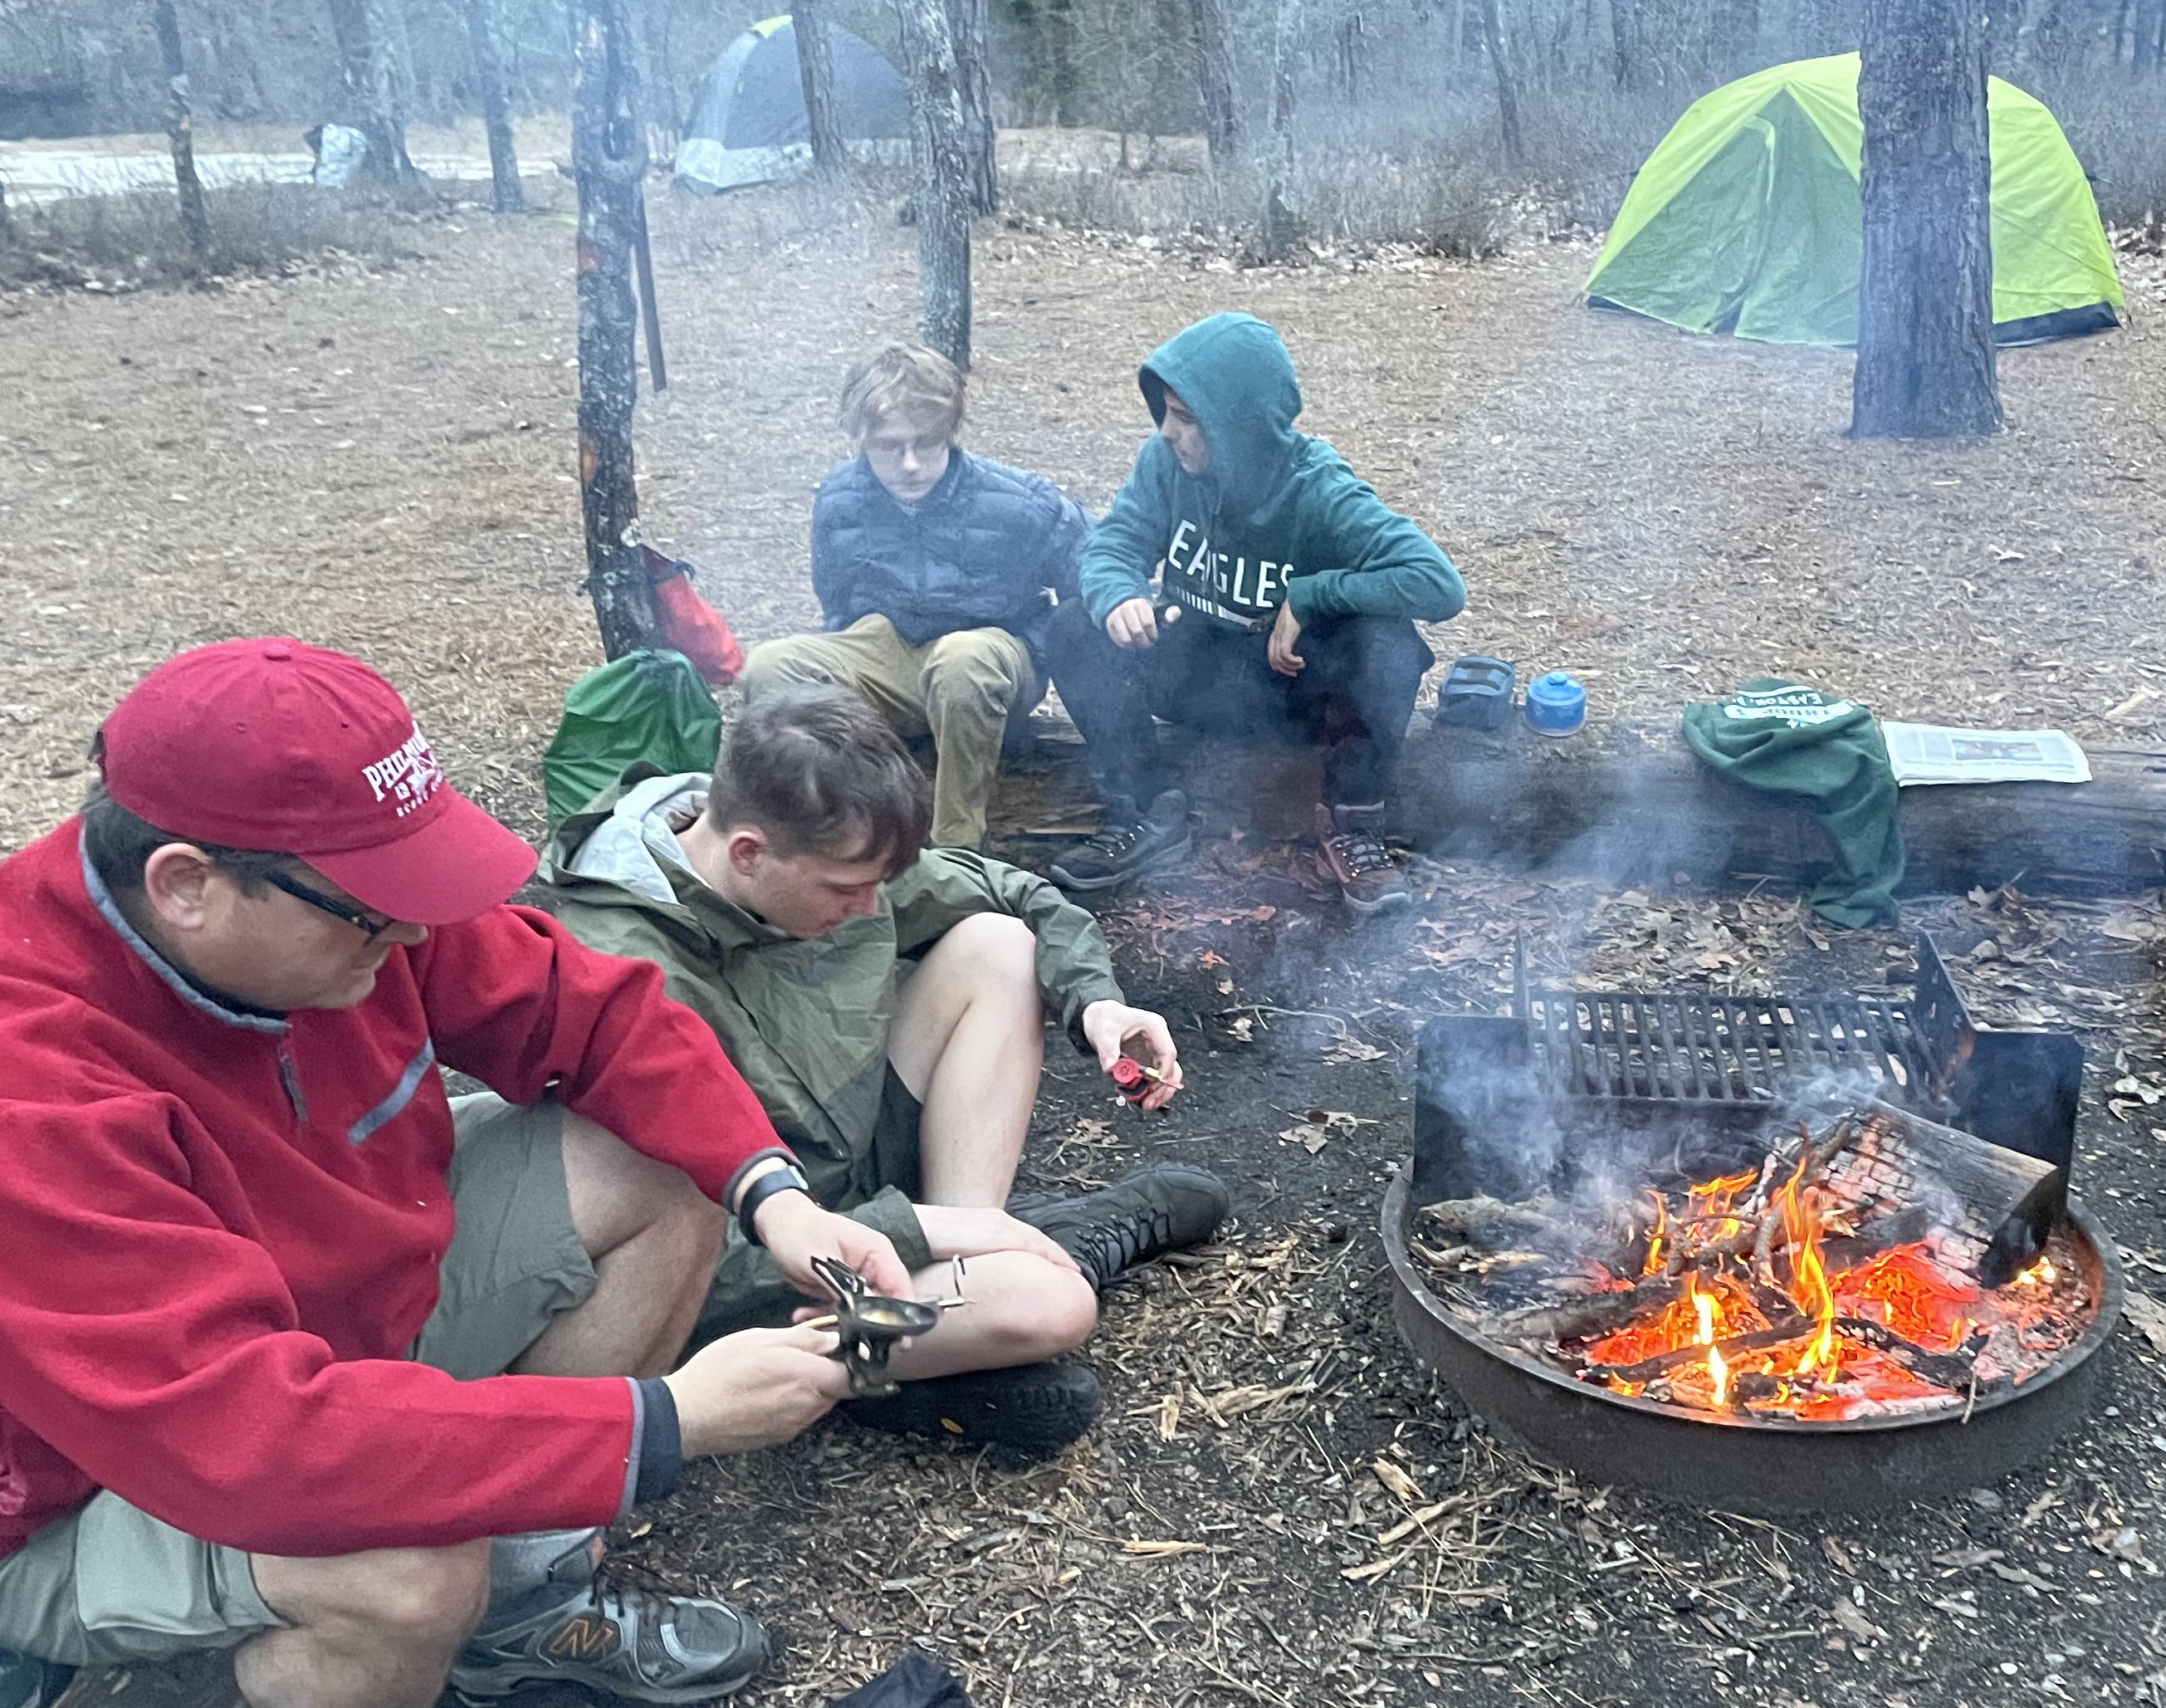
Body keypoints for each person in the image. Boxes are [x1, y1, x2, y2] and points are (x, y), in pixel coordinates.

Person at [0, 640, 899, 1708]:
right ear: (186, 887)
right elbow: (258, 1445)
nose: (406, 943)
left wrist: (773, 1195)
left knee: (661, 1172)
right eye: (371, 918)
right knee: (406, 1557)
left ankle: (524, 1606)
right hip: (58, 1495)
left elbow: (592, 1011)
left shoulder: (317, 897)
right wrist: (660, 1422)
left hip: (306, 1334)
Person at [534, 682, 1229, 1458]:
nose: (870, 909)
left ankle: (973, 1266)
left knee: (998, 948)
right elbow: (674, 1240)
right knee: (1053, 1305)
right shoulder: (620, 964)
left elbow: (1016, 894)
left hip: (851, 1168)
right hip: (744, 1266)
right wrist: (913, 1226)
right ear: (748, 854)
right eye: (845, 889)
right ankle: (867, 1364)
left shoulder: (810, 837)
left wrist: (1095, 1002)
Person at [1046, 312, 1466, 917]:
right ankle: (1148, 814)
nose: (1167, 432)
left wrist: (1311, 595)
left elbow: (1437, 583)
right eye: (1166, 413)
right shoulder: (1166, 465)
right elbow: (1112, 544)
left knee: (1387, 641)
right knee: (1074, 625)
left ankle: (1353, 825)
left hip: (1291, 685)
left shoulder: (1319, 490)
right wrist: (1120, 593)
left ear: (1239, 429)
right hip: (1198, 671)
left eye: (1187, 419)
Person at [740, 343, 1108, 854]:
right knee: (769, 666)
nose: (911, 464)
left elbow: (1096, 569)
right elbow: (837, 605)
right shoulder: (840, 500)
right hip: (886, 652)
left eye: (927, 443)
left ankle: (956, 851)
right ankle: (829, 836)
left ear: (951, 431)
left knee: (962, 661)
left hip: (989, 657)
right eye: (890, 446)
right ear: (860, 439)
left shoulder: (1017, 502)